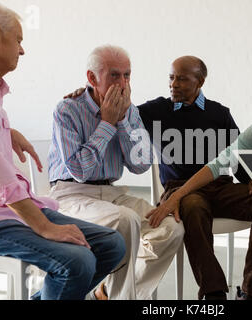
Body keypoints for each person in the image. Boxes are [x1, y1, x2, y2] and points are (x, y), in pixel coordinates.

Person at [0, 1, 126, 300]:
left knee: (111, 245)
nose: (22, 50)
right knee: (77, 262)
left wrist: (6, 132)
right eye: (19, 40)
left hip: (2, 212)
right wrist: (44, 226)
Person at [146, 66, 252, 300]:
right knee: (193, 206)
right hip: (191, 188)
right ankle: (214, 293)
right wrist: (176, 196)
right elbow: (220, 162)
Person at [48, 45, 185, 300]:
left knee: (170, 229)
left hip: (111, 192)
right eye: (114, 75)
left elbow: (141, 164)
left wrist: (121, 120)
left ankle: (108, 294)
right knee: (126, 220)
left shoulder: (130, 111)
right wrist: (107, 123)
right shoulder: (67, 109)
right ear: (92, 78)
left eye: (127, 75)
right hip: (71, 195)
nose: (123, 83)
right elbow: (79, 171)